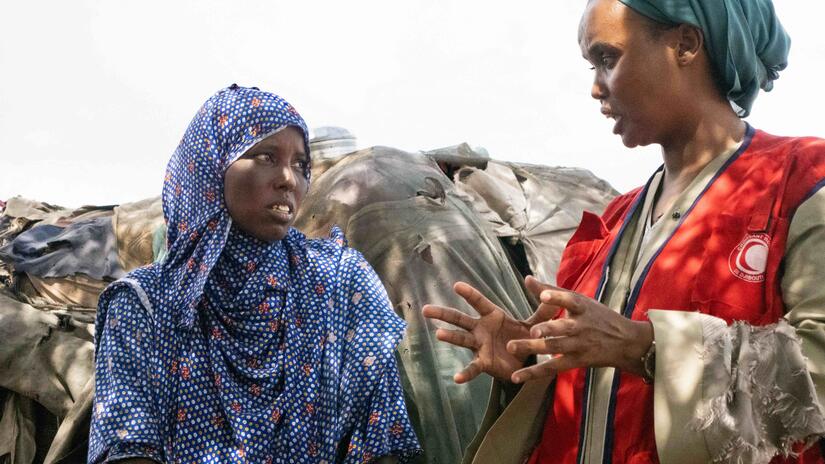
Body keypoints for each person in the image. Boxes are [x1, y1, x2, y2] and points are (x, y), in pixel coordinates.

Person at [423, 1, 825, 463]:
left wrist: (645, 346)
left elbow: (816, 376)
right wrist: (532, 360)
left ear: (686, 45)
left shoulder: (799, 184)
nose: (596, 87)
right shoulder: (612, 224)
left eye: (608, 59)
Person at [88, 85, 420, 464]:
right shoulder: (144, 305)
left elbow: (380, 440)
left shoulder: (339, 281)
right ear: (211, 166)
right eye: (265, 156)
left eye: (300, 164)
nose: (288, 179)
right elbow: (128, 448)